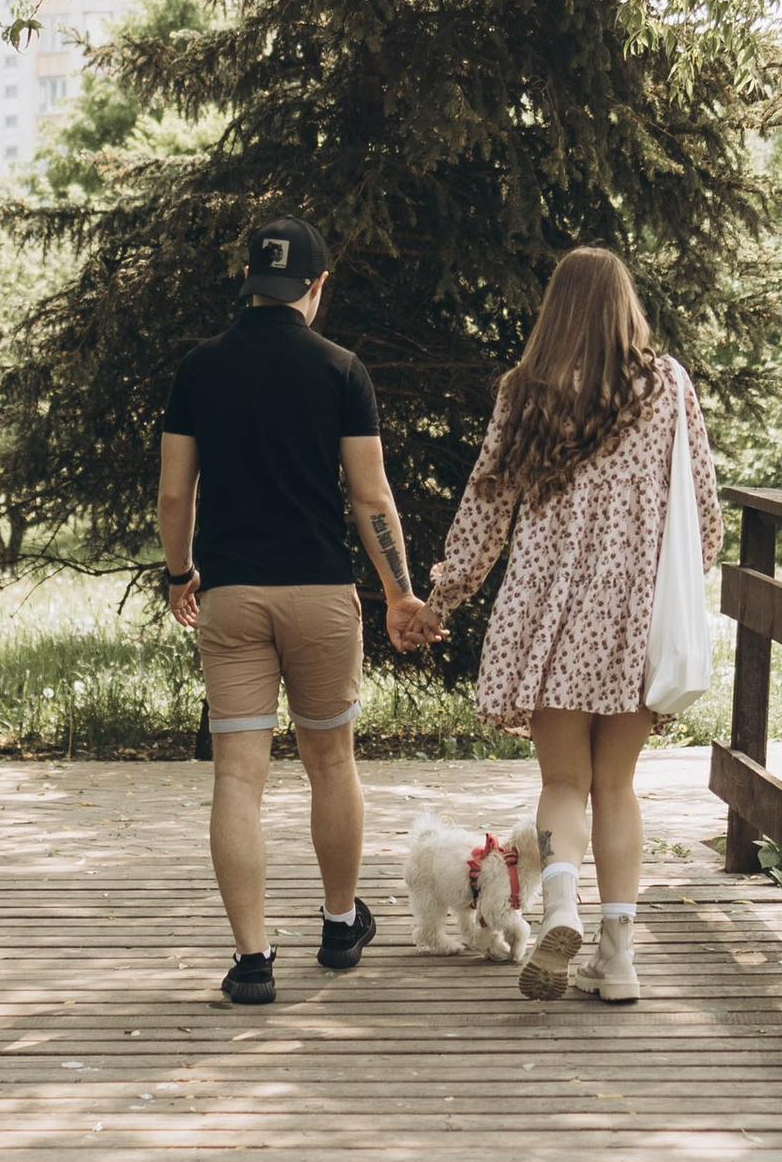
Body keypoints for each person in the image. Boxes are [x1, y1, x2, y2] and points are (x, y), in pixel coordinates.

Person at [418, 247, 720, 1010]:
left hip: (550, 616)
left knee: (562, 783)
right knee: (617, 785)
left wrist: (443, 597)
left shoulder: (526, 392)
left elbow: (486, 507)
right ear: (628, 310)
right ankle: (617, 963)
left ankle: (558, 911)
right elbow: (705, 517)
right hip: (633, 619)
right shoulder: (669, 387)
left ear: (555, 313)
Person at [157, 209, 431, 1005]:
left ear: (250, 283)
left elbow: (177, 491)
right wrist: (398, 591)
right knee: (331, 762)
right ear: (316, 285)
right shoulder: (342, 369)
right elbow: (369, 494)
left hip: (232, 596)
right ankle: (341, 926)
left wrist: (181, 574)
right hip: (320, 592)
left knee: (239, 779)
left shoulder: (198, 370)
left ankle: (251, 961)